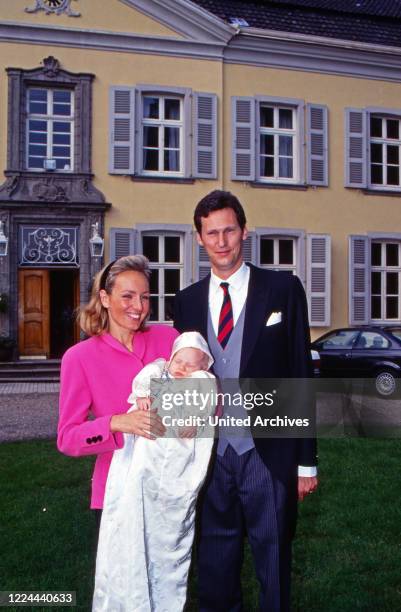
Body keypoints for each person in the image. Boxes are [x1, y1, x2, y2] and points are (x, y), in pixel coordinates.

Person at [174, 190, 318, 612]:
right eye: (212, 233)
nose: (222, 242)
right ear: (199, 238)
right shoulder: (185, 301)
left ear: (244, 231)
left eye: (229, 230)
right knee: (215, 565)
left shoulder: (282, 289)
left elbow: (299, 373)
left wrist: (306, 462)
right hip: (210, 454)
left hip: (268, 452)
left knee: (273, 562)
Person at [92, 331, 217, 612]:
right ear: (170, 359)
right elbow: (144, 383)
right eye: (179, 361)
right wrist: (143, 395)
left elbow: (206, 402)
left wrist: (197, 418)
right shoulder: (157, 371)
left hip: (178, 464)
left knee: (169, 540)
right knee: (134, 525)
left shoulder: (203, 381)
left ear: (204, 366)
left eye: (192, 364)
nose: (183, 368)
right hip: (145, 458)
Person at [57, 255, 179, 514]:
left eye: (145, 297)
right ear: (104, 298)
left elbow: (206, 403)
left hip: (173, 485)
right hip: (117, 490)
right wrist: (116, 423)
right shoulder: (79, 358)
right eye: (128, 296)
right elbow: (68, 438)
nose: (139, 306)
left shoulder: (170, 339)